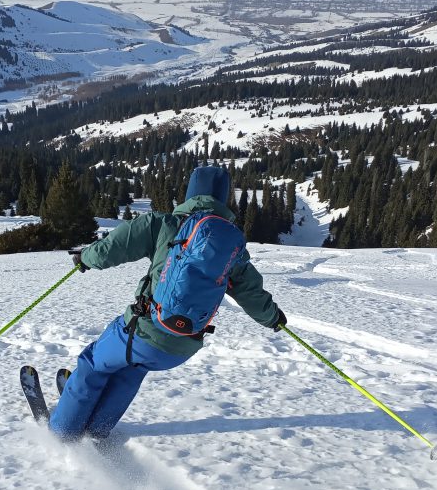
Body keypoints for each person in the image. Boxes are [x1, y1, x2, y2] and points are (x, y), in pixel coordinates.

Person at [49, 166, 286, 441]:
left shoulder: (163, 224)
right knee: (131, 371)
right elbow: (250, 292)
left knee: (93, 364)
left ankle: (62, 432)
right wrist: (273, 318)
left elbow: (113, 248)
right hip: (182, 347)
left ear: (190, 193)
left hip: (144, 332)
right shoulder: (231, 246)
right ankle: (97, 429)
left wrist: (85, 258)